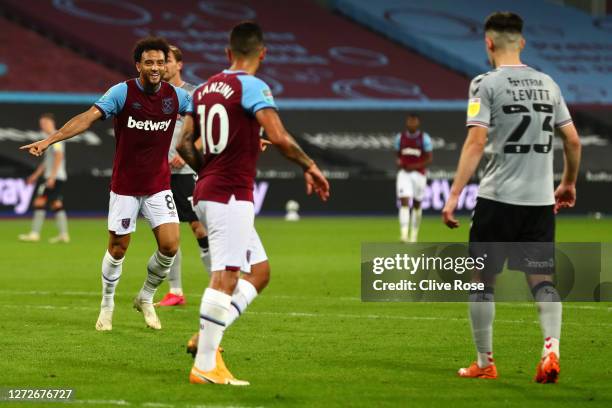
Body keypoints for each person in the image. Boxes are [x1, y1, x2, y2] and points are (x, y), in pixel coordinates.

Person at [177, 21, 330, 385]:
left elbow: (185, 144)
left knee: (258, 272)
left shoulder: (202, 90)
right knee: (226, 275)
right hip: (230, 194)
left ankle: (207, 340)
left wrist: (213, 165)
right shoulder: (253, 85)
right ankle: (205, 364)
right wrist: (310, 165)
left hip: (208, 189)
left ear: (228, 53)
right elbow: (277, 135)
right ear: (262, 54)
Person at [441, 12, 581, 383]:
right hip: (539, 203)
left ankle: (485, 364)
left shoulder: (484, 84)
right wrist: (567, 183)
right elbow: (573, 140)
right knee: (542, 281)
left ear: (488, 43)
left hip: (498, 199)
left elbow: (476, 140)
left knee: (482, 282)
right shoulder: (548, 83)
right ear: (522, 42)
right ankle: (551, 350)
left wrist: (454, 194)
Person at [21, 37, 193, 332]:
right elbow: (87, 118)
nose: (155, 68)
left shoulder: (177, 97)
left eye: (160, 63)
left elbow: (212, 115)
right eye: (149, 62)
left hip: (158, 186)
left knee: (170, 246)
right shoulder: (122, 93)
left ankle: (146, 297)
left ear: (167, 66)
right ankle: (107, 304)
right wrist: (50, 140)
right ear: (138, 65)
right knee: (117, 249)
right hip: (125, 186)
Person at [155, 45, 208, 307]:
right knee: (168, 233)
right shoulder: (155, 94)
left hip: (188, 171)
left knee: (199, 228)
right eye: (160, 62)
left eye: (168, 61)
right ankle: (175, 291)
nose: (162, 66)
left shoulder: (194, 94)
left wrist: (189, 151)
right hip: (161, 173)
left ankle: (218, 287)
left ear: (179, 65)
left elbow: (207, 130)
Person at [19, 113, 70, 244]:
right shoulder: (49, 138)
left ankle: (35, 234)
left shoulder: (56, 136)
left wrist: (52, 177)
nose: (42, 126)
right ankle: (64, 235)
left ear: (50, 123)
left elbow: (59, 156)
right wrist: (35, 175)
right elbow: (46, 162)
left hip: (54, 176)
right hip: (56, 176)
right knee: (56, 203)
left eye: (43, 123)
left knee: (39, 202)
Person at [395, 113, 433, 242]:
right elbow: (397, 154)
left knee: (417, 204)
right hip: (404, 173)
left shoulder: (424, 138)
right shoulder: (400, 137)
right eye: (409, 121)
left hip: (419, 174)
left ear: (418, 123)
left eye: (414, 121)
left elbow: (429, 158)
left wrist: (416, 166)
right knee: (404, 202)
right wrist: (399, 162)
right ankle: (404, 234)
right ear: (407, 123)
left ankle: (414, 235)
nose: (411, 124)